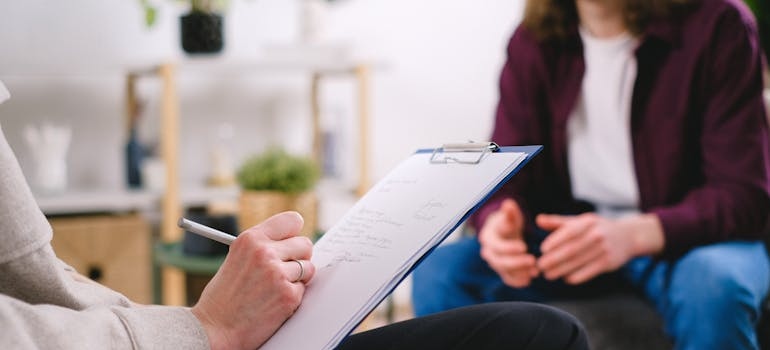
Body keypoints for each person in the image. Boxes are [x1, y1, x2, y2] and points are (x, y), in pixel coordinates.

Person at [0, 81, 590, 350]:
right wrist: (205, 328)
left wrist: (192, 323)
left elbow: (39, 285)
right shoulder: (540, 44)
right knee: (538, 333)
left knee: (531, 329)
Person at [412, 0, 770, 349]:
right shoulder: (533, 40)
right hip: (571, 241)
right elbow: (504, 172)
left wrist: (635, 235)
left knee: (714, 287)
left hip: (688, 241)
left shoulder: (718, 23)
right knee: (441, 271)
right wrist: (498, 223)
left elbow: (744, 196)